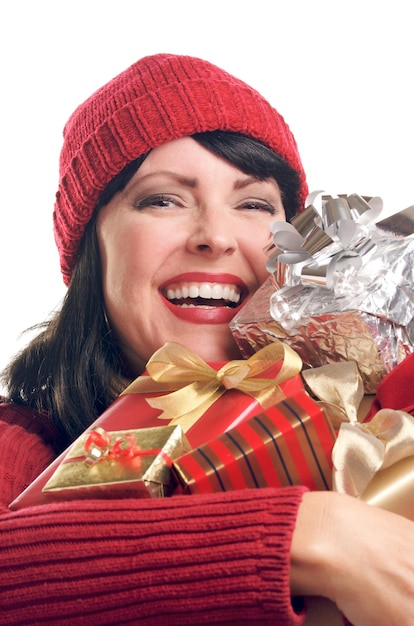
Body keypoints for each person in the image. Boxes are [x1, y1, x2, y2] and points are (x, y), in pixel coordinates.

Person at [1, 53, 414, 626]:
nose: (216, 237)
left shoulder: (375, 427)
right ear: (89, 251)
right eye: (162, 199)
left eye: (253, 204)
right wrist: (305, 534)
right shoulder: (18, 442)